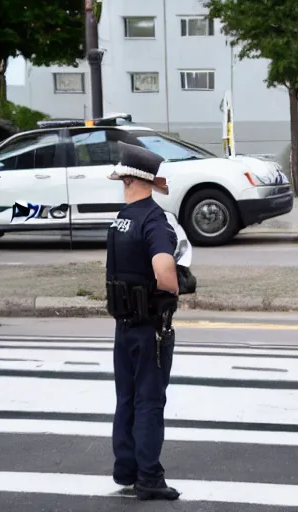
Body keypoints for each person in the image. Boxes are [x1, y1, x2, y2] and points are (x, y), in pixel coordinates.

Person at [105, 141, 181, 500]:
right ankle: (149, 477)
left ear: (127, 180)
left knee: (126, 399)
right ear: (149, 181)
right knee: (149, 401)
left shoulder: (119, 220)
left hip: (122, 328)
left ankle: (126, 468)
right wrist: (175, 289)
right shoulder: (154, 220)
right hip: (150, 327)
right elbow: (164, 270)